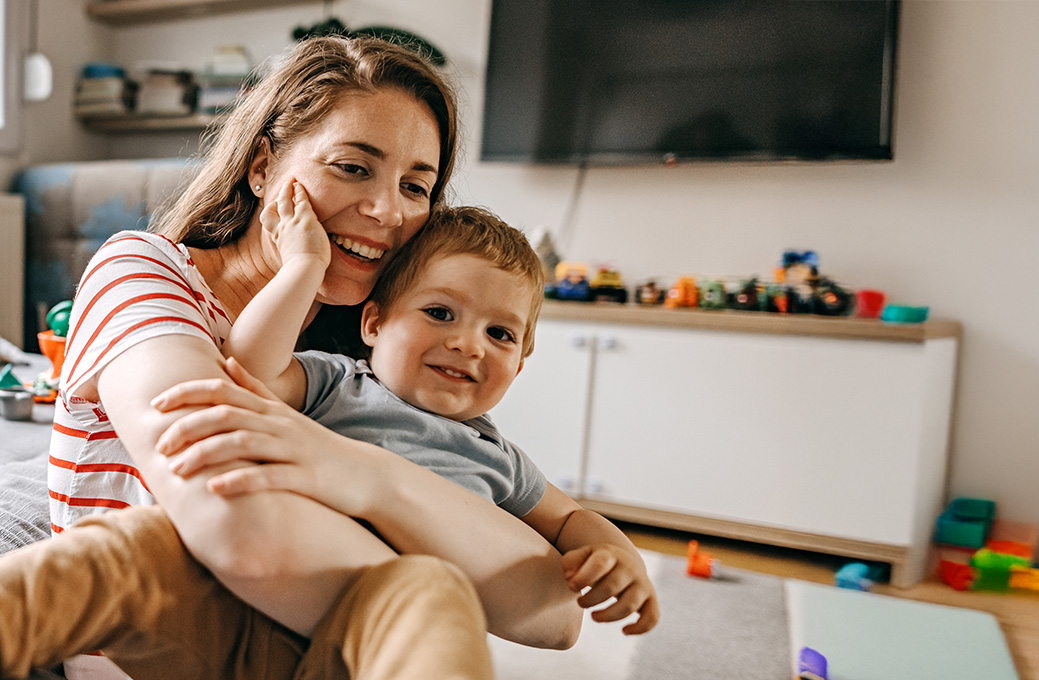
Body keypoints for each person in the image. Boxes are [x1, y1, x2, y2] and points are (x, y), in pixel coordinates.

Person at [0, 35, 582, 680]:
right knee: (431, 593)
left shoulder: (374, 347)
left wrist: (363, 474)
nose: (387, 210)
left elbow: (555, 612)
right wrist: (436, 554)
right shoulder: (144, 272)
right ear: (261, 168)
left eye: (416, 187)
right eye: (352, 167)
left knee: (429, 594)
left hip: (305, 649)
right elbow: (233, 514)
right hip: (157, 644)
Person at [161, 194, 658, 635]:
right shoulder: (342, 384)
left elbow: (570, 516)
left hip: (414, 632)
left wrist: (621, 557)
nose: (468, 345)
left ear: (519, 369)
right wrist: (305, 266)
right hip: (285, 600)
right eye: (440, 313)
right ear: (374, 323)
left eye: (500, 334)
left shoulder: (498, 458)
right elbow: (250, 367)